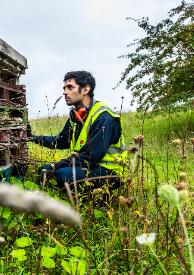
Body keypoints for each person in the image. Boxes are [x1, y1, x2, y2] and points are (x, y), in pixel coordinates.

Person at [27, 71, 127, 204]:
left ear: (86, 89)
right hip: (89, 166)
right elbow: (61, 141)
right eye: (64, 88)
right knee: (43, 171)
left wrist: (55, 165)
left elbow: (90, 156)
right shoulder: (76, 117)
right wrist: (32, 137)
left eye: (70, 87)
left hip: (111, 171)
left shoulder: (103, 117)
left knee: (64, 175)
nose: (64, 92)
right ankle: (84, 195)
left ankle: (108, 201)